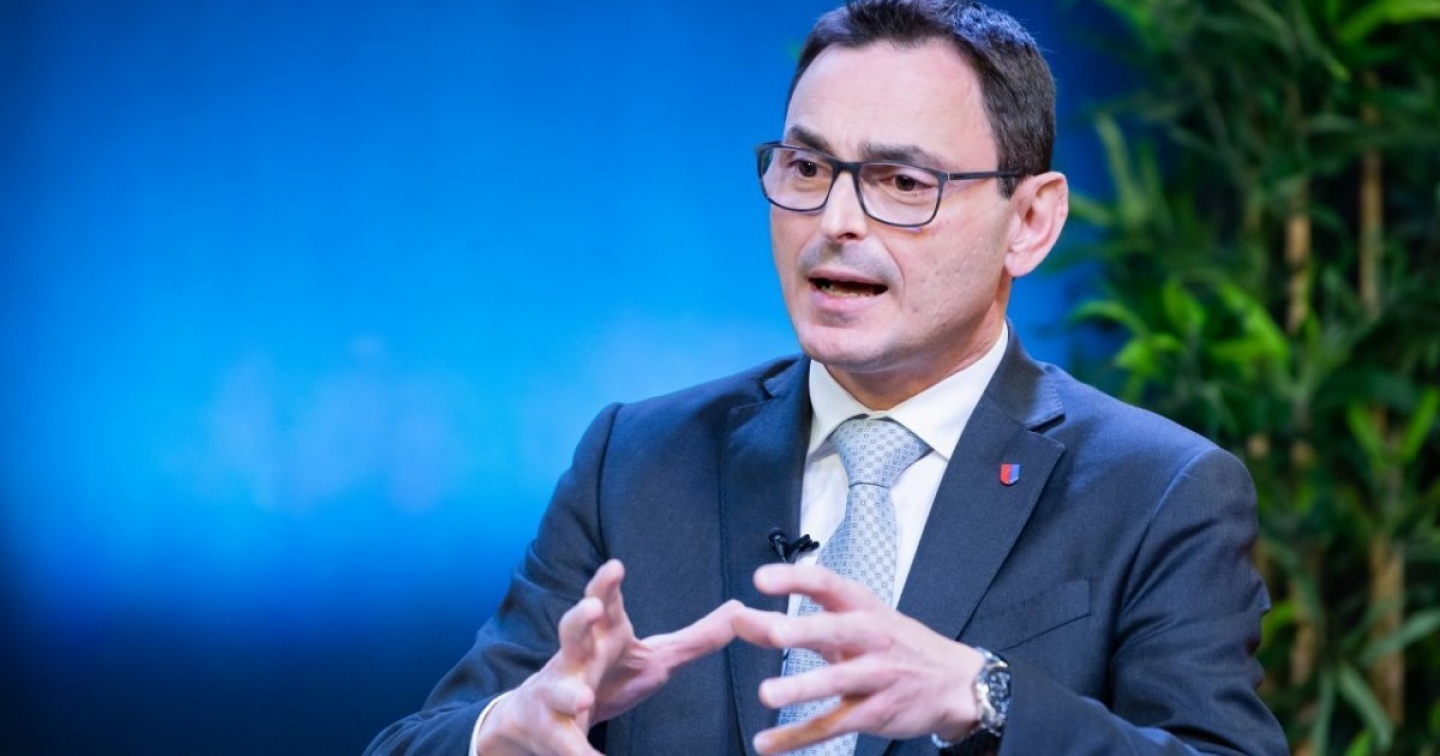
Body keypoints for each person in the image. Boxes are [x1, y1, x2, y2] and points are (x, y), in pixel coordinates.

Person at [365, 1, 1287, 754]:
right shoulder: (635, 461)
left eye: (901, 182)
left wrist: (986, 696)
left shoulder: (1159, 492)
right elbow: (415, 742)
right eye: (807, 167)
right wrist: (505, 733)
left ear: (1030, 222)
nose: (835, 219)